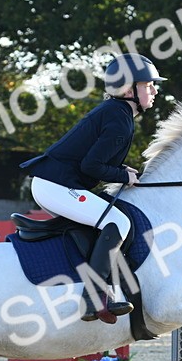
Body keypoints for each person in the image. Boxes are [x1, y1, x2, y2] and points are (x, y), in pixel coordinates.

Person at [20, 53, 164, 323]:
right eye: (148, 85)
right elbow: (91, 166)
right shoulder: (119, 116)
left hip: (56, 183)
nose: (155, 90)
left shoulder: (117, 113)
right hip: (56, 185)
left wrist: (124, 173)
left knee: (107, 220)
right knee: (118, 222)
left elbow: (94, 163)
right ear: (127, 89)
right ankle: (92, 298)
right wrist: (123, 175)